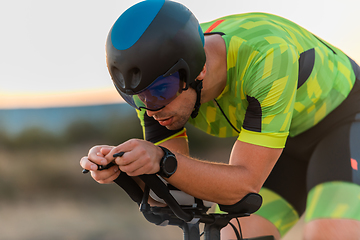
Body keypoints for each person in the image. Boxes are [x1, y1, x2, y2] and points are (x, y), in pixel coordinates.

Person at [80, 0, 360, 239]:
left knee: (330, 232)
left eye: (158, 92)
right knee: (235, 234)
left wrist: (160, 159)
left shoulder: (266, 58)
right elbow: (179, 192)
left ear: (198, 70)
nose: (150, 109)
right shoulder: (157, 87)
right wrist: (129, 169)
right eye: (135, 98)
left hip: (343, 121)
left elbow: (243, 185)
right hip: (279, 144)